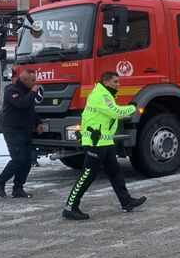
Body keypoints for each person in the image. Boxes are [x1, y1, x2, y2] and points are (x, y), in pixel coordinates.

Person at [62, 71, 146, 220]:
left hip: (104, 141)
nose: (118, 85)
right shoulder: (101, 96)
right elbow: (117, 113)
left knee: (115, 172)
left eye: (119, 82)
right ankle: (70, 207)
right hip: (97, 142)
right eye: (115, 82)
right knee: (88, 174)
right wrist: (133, 107)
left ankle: (126, 202)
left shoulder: (105, 94)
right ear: (106, 82)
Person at [0, 69, 44, 198]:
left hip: (25, 131)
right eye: (33, 80)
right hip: (12, 130)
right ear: (24, 80)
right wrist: (32, 93)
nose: (35, 82)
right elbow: (21, 104)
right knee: (18, 159)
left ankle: (18, 188)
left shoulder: (27, 92)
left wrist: (39, 123)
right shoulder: (12, 90)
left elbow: (30, 110)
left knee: (27, 160)